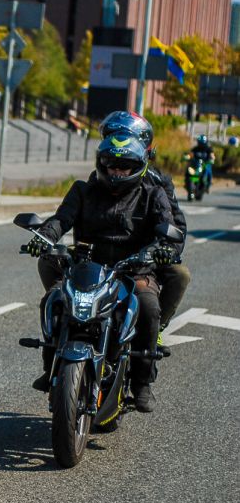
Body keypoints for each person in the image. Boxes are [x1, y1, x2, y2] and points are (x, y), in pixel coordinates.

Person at [25, 134, 176, 413]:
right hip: (87, 267)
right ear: (101, 163)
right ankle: (51, 368)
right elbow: (61, 219)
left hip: (133, 269)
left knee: (148, 305)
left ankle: (142, 383)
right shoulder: (82, 190)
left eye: (125, 165)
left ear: (138, 166)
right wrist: (44, 237)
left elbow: (166, 227)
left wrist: (163, 248)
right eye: (110, 164)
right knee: (53, 300)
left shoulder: (152, 195)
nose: (116, 171)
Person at [98, 111, 190, 338]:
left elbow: (176, 225)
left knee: (180, 274)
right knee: (50, 262)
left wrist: (166, 251)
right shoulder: (99, 177)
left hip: (144, 255)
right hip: (101, 256)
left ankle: (155, 328)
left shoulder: (158, 184)